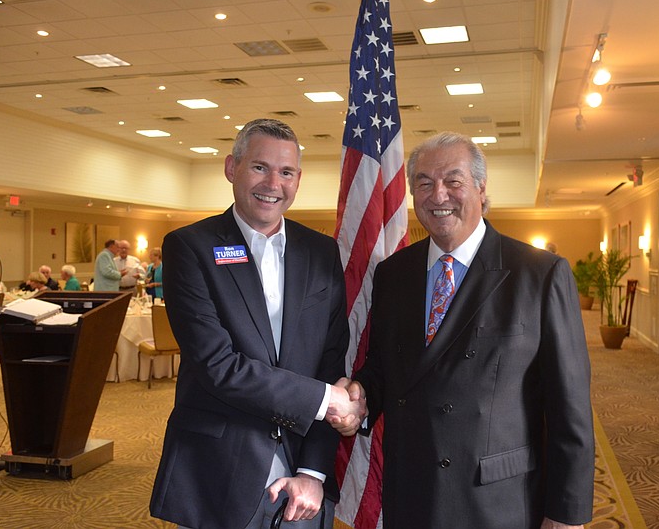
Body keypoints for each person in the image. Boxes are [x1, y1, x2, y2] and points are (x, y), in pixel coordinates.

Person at [339, 132, 594, 529]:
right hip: (411, 491)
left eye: (453, 181)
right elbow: (386, 367)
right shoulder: (393, 274)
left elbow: (570, 408)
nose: (438, 195)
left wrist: (566, 513)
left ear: (480, 188)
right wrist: (363, 392)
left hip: (496, 499)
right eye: (424, 182)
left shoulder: (539, 274)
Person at [149, 119, 363, 529]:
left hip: (304, 476)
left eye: (286, 172)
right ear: (232, 168)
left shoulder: (321, 252)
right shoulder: (190, 247)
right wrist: (326, 401)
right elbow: (217, 365)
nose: (273, 183)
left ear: (298, 179)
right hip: (218, 470)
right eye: (259, 167)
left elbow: (330, 364)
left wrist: (314, 472)